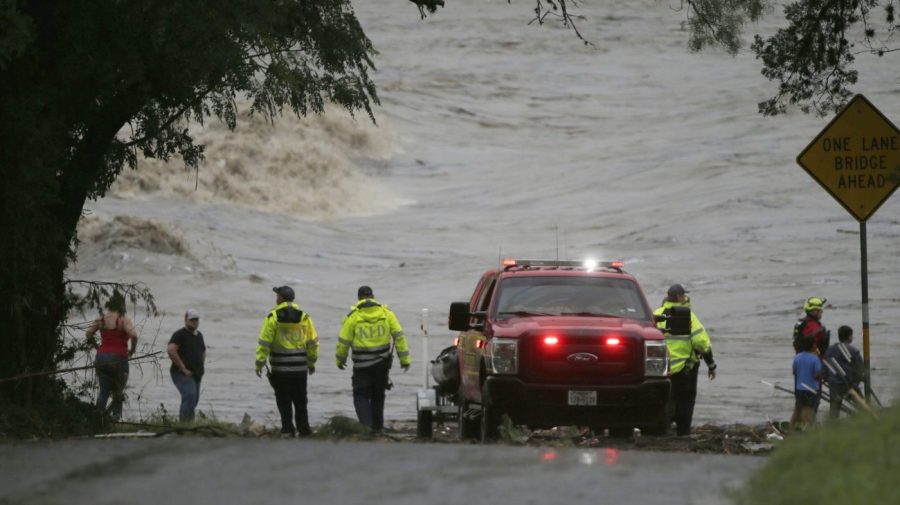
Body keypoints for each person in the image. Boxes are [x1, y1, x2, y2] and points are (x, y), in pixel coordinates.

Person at [336, 285, 411, 432]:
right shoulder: (387, 314)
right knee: (378, 395)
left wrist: (340, 360)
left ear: (358, 299)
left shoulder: (353, 317)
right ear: (373, 296)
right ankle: (377, 428)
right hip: (381, 364)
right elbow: (399, 336)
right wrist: (405, 360)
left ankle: (366, 426)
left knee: (360, 395)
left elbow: (343, 342)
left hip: (361, 366)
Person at [255, 286, 319, 437]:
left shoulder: (273, 317)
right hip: (299, 368)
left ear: (281, 298)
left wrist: (259, 363)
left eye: (277, 296)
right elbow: (313, 343)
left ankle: (287, 429)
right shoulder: (304, 317)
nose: (276, 298)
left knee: (283, 399)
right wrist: (311, 363)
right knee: (301, 400)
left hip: (280, 368)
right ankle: (304, 430)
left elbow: (264, 343)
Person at [653, 283, 716, 436]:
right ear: (680, 297)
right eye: (684, 295)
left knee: (663, 401)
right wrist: (711, 364)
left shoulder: (656, 314)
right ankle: (683, 432)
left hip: (660, 369)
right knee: (686, 401)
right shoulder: (689, 316)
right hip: (685, 369)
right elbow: (702, 343)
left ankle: (660, 430)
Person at [85, 291, 138, 419]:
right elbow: (134, 335)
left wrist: (97, 346)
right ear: (122, 306)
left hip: (101, 357)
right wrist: (132, 350)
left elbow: (88, 334)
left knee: (103, 391)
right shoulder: (123, 320)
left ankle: (98, 420)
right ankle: (115, 420)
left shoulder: (101, 319)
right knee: (118, 393)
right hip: (119, 358)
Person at [167, 308, 206, 422]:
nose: (194, 322)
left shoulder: (199, 335)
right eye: (192, 320)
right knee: (189, 395)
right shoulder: (179, 334)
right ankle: (185, 424)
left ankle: (188, 424)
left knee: (194, 400)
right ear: (186, 320)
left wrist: (201, 365)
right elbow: (171, 350)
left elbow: (203, 351)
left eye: (196, 320)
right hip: (181, 373)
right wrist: (183, 368)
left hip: (196, 374)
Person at [823, 325, 864, 420]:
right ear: (850, 336)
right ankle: (866, 421)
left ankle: (832, 428)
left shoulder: (830, 350)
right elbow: (860, 369)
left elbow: (825, 366)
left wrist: (827, 379)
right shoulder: (853, 350)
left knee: (834, 409)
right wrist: (856, 382)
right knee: (861, 405)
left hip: (834, 384)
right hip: (849, 384)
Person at [791, 334, 823, 430]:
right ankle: (808, 434)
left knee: (797, 410)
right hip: (811, 389)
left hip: (799, 389)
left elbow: (794, 372)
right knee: (808, 412)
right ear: (813, 345)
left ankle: (790, 431)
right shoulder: (815, 358)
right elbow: (817, 375)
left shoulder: (797, 357)